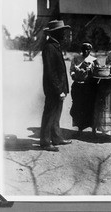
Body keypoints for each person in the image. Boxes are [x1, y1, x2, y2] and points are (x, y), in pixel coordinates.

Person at [40, 19, 72, 151]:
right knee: (49, 113)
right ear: (56, 33)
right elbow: (51, 72)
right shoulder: (49, 48)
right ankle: (45, 142)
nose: (64, 34)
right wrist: (59, 90)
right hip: (54, 88)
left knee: (56, 113)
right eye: (62, 32)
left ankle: (56, 138)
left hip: (58, 88)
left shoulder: (55, 46)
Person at [70, 42, 99, 134]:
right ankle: (80, 127)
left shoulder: (94, 60)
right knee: (78, 106)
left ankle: (93, 127)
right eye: (84, 49)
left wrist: (91, 73)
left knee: (90, 106)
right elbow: (71, 70)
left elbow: (97, 72)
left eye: (88, 49)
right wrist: (74, 75)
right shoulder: (76, 58)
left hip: (89, 86)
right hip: (78, 85)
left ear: (90, 50)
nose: (86, 51)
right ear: (81, 50)